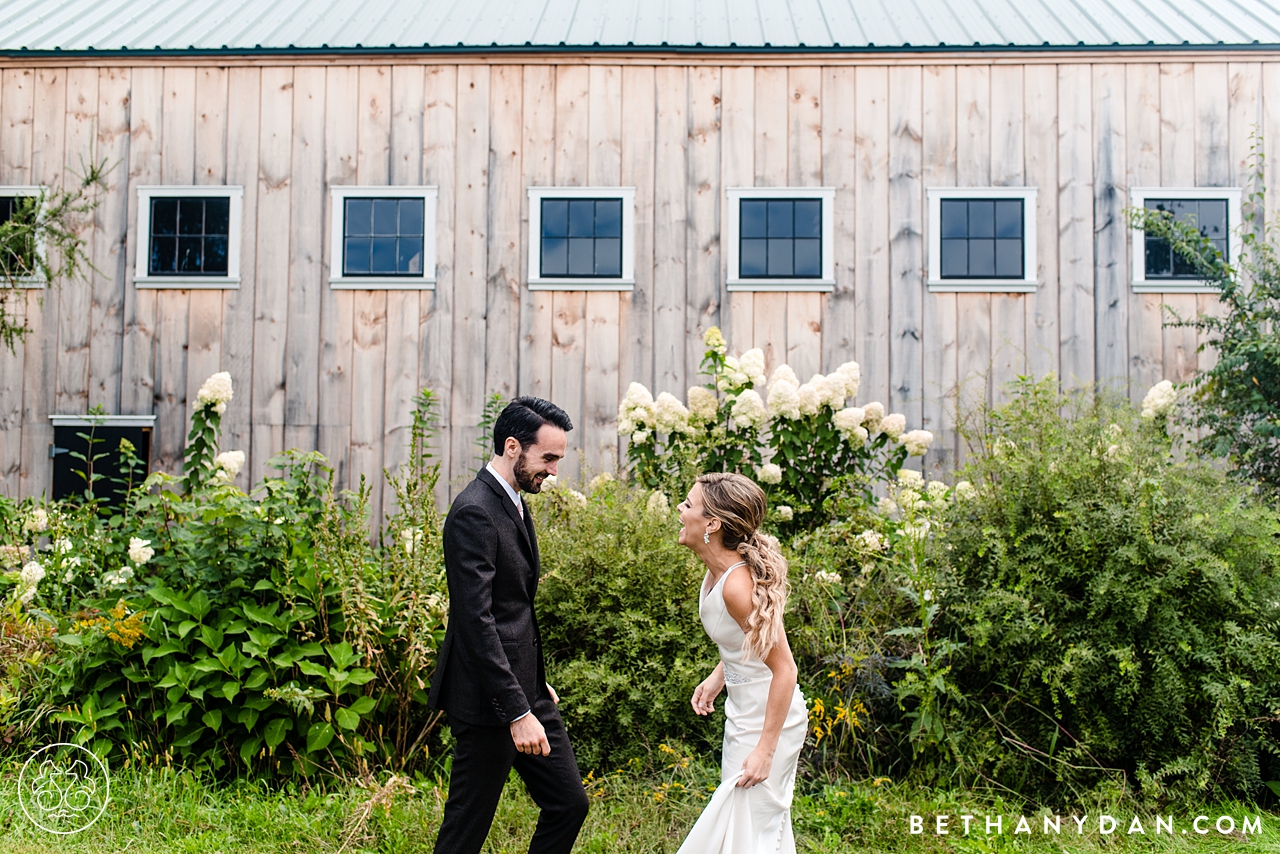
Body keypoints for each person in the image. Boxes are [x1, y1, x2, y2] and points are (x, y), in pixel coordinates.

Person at [427, 396, 589, 854]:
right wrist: (518, 711)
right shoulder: (474, 510)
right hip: (487, 700)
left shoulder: (513, 499)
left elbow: (511, 609)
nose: (554, 471)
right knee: (466, 829)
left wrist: (534, 681)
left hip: (526, 688)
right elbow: (476, 621)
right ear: (513, 447)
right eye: (549, 458)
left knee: (568, 804)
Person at [675, 472, 807, 853]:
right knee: (748, 828)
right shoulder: (717, 572)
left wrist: (766, 749)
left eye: (688, 504)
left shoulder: (737, 585)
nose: (680, 511)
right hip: (743, 710)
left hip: (769, 719)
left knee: (744, 826)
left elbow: (785, 668)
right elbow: (746, 640)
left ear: (712, 524)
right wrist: (720, 676)